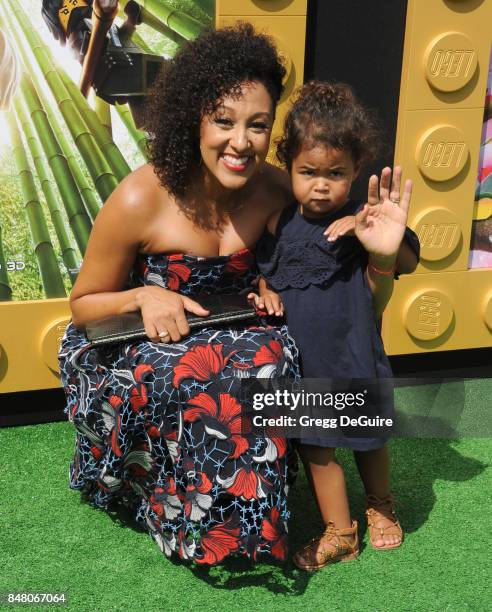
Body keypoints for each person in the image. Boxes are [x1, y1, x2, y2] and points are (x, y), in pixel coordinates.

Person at [58, 24, 300, 565]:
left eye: (258, 126)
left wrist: (273, 279)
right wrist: (141, 295)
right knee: (192, 371)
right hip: (139, 343)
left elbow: (331, 272)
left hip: (239, 334)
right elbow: (83, 305)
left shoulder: (281, 190)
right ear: (194, 118)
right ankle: (171, 508)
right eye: (224, 121)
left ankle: (247, 514)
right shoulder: (142, 195)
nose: (241, 142)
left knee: (271, 359)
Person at [254, 81, 420, 570]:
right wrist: (265, 291)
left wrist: (380, 240)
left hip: (353, 352)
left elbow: (405, 258)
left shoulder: (364, 217)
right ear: (289, 168)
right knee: (317, 447)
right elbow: (265, 274)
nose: (321, 185)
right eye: (308, 172)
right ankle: (340, 530)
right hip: (302, 362)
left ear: (356, 171)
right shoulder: (277, 225)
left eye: (336, 173)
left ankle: (381, 504)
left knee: (368, 438)